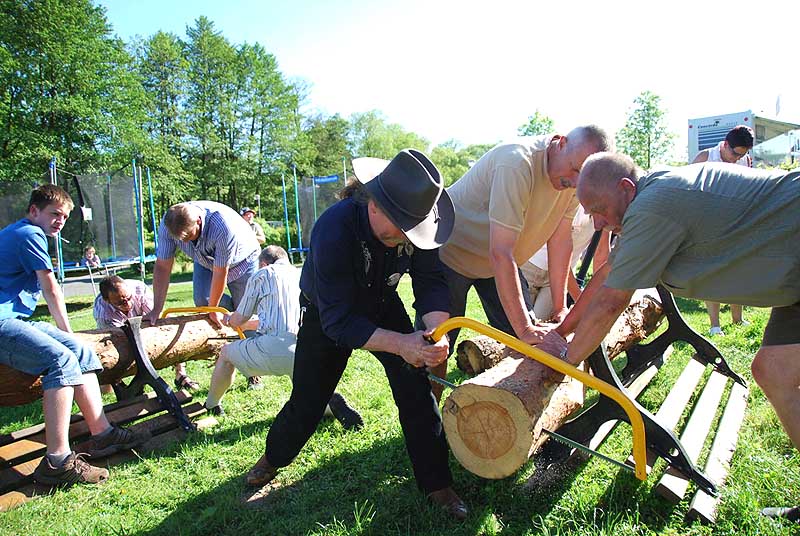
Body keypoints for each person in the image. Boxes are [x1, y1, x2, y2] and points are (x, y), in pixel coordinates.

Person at [545, 152, 800, 522]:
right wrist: (560, 332)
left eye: (599, 209)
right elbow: (605, 276)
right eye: (590, 213)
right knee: (774, 371)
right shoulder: (646, 201)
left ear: (625, 188)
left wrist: (564, 366)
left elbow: (613, 302)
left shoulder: (654, 207)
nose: (598, 222)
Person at [244, 149, 468, 520]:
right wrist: (401, 344)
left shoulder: (414, 223)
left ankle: (438, 484)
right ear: (376, 206)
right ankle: (273, 458)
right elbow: (339, 322)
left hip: (381, 301)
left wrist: (435, 330)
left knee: (415, 390)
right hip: (328, 313)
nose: (407, 239)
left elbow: (430, 282)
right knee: (308, 403)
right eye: (401, 231)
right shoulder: (334, 228)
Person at [436, 125, 611, 387]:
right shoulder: (517, 163)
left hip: (499, 261)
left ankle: (507, 417)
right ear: (561, 143)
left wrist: (560, 307)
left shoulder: (575, 181)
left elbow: (561, 240)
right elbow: (501, 251)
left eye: (583, 176)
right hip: (452, 255)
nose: (575, 182)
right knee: (438, 346)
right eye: (575, 170)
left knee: (529, 345)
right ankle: (429, 424)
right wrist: (525, 329)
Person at [0, 185, 149, 487]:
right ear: (33, 211)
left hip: (16, 319)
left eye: (65, 217)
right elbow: (51, 287)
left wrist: (71, 337)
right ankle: (57, 462)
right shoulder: (29, 234)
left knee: (82, 353)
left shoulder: (22, 231)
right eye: (54, 214)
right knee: (62, 361)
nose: (59, 221)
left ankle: (103, 434)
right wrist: (67, 330)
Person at [203, 245, 363, 430]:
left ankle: (212, 404)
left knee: (225, 354)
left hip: (272, 346)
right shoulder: (303, 274)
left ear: (263, 263)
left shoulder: (262, 274)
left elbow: (241, 318)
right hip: (304, 347)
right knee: (306, 389)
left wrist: (230, 319)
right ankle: (328, 404)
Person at [145, 201, 264, 390]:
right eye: (180, 240)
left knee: (245, 315)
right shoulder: (169, 223)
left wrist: (216, 310)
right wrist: (157, 309)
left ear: (199, 222)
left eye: (189, 237)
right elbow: (162, 266)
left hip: (244, 261)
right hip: (206, 259)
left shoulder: (221, 226)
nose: (184, 243)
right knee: (203, 301)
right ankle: (231, 315)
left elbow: (220, 272)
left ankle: (254, 373)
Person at [691, 125, 755, 336]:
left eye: (742, 155)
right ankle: (715, 325)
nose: (738, 159)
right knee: (713, 274)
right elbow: (688, 190)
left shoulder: (745, 160)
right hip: (708, 224)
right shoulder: (705, 157)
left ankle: (737, 319)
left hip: (736, 223)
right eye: (735, 153)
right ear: (725, 144)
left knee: (737, 271)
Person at [94, 275, 199, 391]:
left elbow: (156, 319)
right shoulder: (103, 313)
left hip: (143, 320)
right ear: (107, 300)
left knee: (169, 325)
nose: (128, 304)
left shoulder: (139, 289)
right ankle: (119, 384)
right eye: (120, 303)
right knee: (121, 350)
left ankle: (181, 374)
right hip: (118, 331)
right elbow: (120, 338)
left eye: (128, 298)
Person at [520, 206, 610, 322]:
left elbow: (601, 253)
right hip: (531, 265)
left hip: (560, 278)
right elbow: (558, 254)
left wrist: (600, 298)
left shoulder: (607, 207)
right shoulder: (573, 203)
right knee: (519, 324)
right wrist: (582, 301)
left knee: (539, 323)